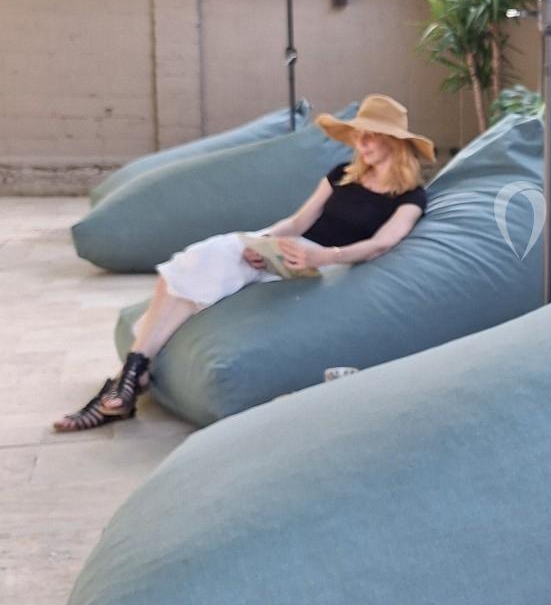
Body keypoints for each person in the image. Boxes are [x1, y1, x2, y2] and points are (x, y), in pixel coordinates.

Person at [54, 94, 435, 432]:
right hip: (286, 246)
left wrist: (326, 256)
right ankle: (130, 380)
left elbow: (381, 245)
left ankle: (125, 382)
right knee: (187, 269)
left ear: (394, 142)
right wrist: (266, 241)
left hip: (320, 264)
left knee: (188, 276)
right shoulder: (341, 175)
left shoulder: (410, 197)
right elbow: (298, 222)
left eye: (371, 135)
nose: (361, 143)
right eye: (358, 134)